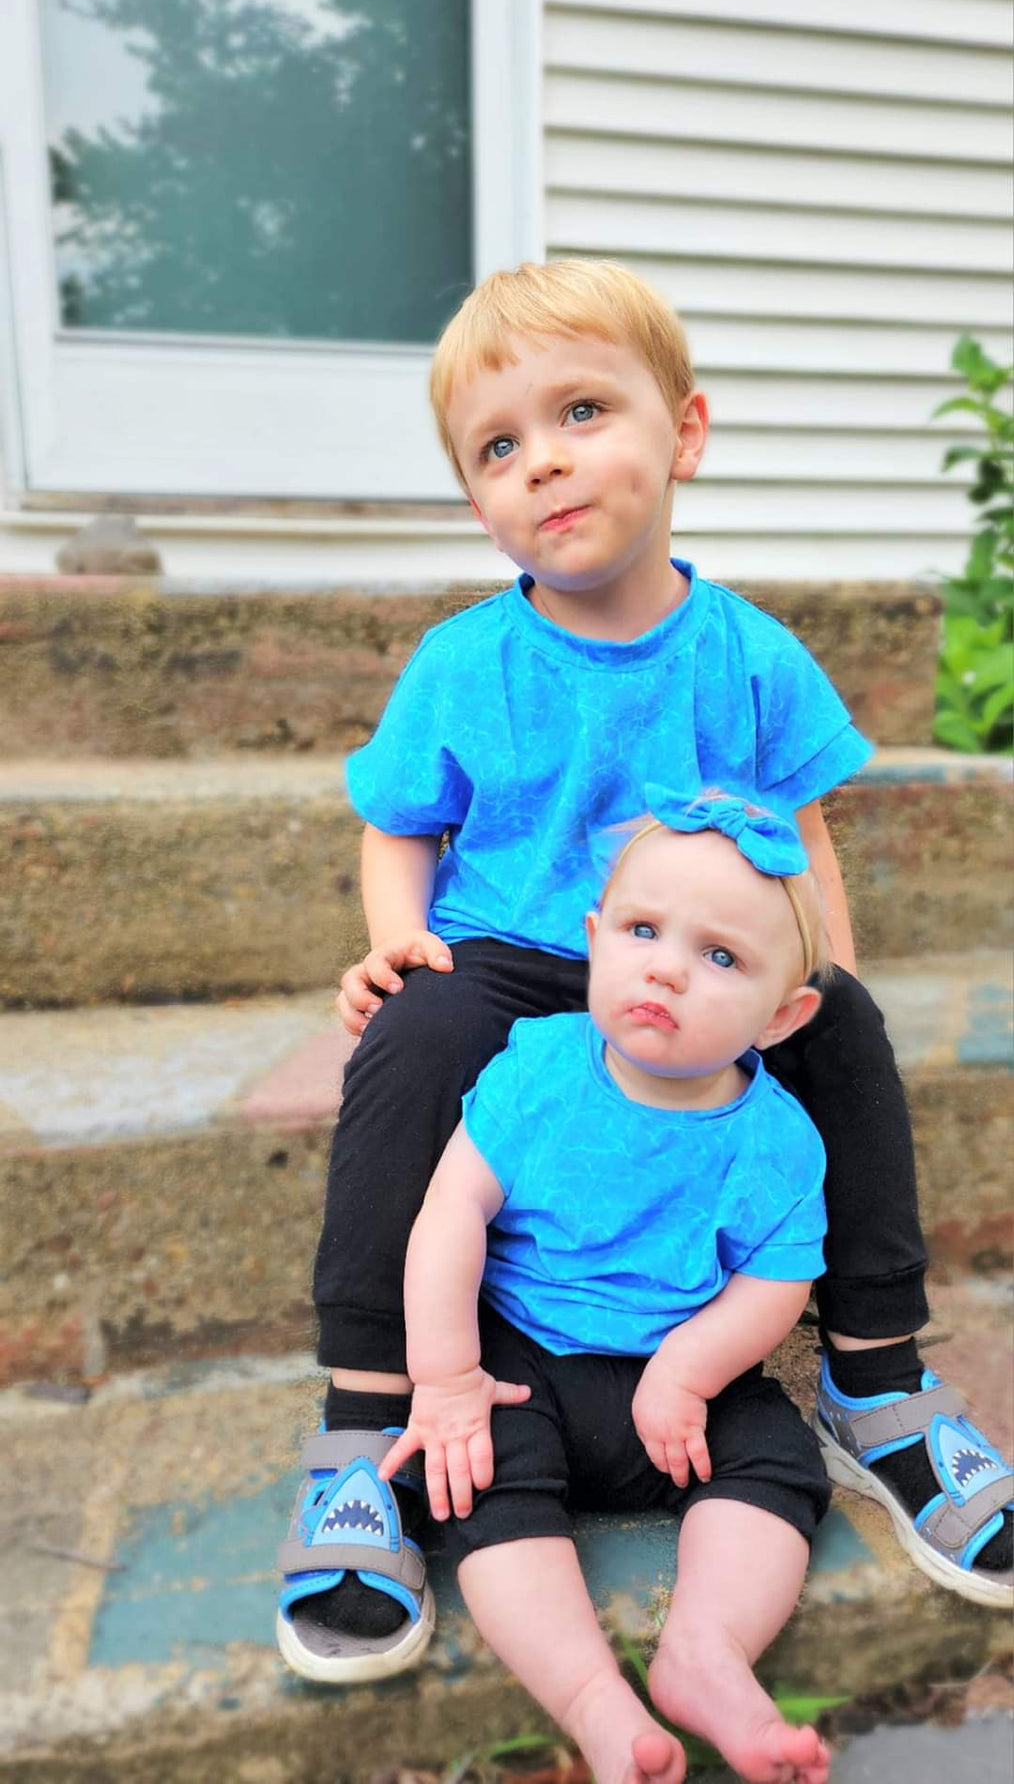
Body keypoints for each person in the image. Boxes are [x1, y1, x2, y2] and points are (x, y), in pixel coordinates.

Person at [276, 260, 1013, 1685]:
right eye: (497, 447)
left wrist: (817, 985)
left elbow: (800, 838)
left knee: (844, 1026)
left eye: (581, 413)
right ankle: (368, 1423)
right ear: (477, 500)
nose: (541, 461)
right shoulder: (464, 662)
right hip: (509, 959)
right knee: (414, 1033)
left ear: (683, 434)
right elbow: (399, 822)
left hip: (699, 965)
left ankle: (875, 1382)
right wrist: (394, 937)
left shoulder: (749, 657)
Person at [376, 790, 833, 1784]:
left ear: (783, 1014)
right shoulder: (541, 1070)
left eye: (721, 957)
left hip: (682, 1384)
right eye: (641, 931)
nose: (666, 967)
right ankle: (591, 1697)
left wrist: (690, 1370)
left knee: (777, 1460)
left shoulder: (777, 1140)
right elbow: (452, 1213)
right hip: (522, 1362)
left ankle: (708, 1654)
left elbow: (775, 1282)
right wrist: (446, 1378)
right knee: (474, 1475)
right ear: (594, 941)